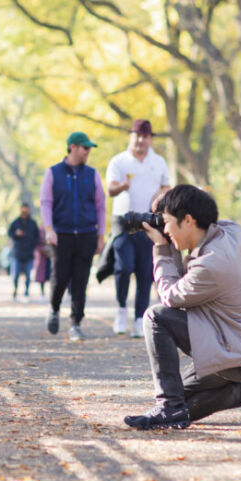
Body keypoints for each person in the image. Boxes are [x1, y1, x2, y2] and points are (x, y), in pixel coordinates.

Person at [123, 184, 241, 430]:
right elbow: (202, 207)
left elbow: (170, 297)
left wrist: (161, 248)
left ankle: (169, 408)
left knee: (156, 317)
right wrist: (176, 202)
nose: (163, 229)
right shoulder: (230, 231)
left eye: (166, 221)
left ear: (188, 219)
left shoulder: (211, 265)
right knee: (179, 393)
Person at [105, 119, 171, 338]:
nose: (141, 140)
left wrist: (160, 196)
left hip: (147, 221)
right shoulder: (119, 161)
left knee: (145, 272)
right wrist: (123, 186)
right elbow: (110, 189)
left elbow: (166, 186)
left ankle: (139, 318)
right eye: (137, 136)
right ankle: (121, 309)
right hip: (123, 221)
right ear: (131, 137)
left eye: (145, 137)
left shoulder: (158, 161)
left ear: (150, 139)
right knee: (124, 267)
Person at [40, 131, 106, 341]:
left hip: (87, 233)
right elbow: (46, 202)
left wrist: (100, 235)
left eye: (89, 148)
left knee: (80, 280)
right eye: (85, 148)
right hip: (62, 235)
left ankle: (75, 323)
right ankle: (54, 308)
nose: (88, 152)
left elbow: (100, 205)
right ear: (73, 147)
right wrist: (49, 229)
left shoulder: (92, 174)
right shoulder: (53, 173)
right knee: (60, 277)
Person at [7, 203, 40, 300]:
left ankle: (26, 291)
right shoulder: (16, 223)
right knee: (16, 274)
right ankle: (15, 290)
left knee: (28, 274)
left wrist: (32, 244)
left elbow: (37, 237)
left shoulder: (33, 223)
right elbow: (10, 233)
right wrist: (16, 234)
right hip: (18, 252)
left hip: (29, 253)